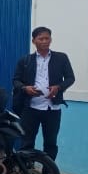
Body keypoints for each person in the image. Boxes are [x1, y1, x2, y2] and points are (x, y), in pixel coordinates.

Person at [12, 26, 75, 160]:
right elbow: (16, 80)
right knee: (27, 142)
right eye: (41, 39)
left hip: (52, 108)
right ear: (34, 41)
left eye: (47, 38)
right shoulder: (25, 60)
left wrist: (58, 87)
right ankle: (26, 169)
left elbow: (70, 78)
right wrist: (25, 88)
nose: (45, 41)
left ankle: (48, 171)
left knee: (50, 143)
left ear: (51, 40)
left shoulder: (61, 58)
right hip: (31, 108)